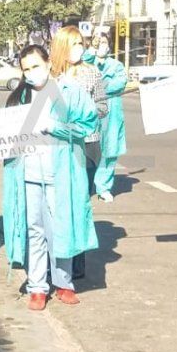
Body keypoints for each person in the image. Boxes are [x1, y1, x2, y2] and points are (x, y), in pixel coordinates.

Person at [2, 45, 99, 311]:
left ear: (48, 63)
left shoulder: (69, 93)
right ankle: (37, 286)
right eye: (26, 69)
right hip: (28, 174)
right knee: (35, 231)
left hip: (61, 174)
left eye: (35, 66)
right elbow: (1, 133)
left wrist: (54, 126)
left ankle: (64, 283)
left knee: (61, 228)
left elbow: (89, 125)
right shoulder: (20, 98)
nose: (31, 73)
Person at [49, 25, 108, 280]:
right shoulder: (50, 76)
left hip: (87, 143)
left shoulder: (91, 74)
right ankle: (55, 258)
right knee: (58, 201)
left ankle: (77, 261)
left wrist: (86, 110)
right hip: (57, 144)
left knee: (79, 201)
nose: (78, 49)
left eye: (80, 44)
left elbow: (103, 107)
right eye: (73, 44)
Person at [85, 35, 127, 203]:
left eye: (103, 43)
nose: (101, 46)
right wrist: (91, 51)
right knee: (88, 148)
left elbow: (120, 83)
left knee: (110, 150)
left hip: (111, 112)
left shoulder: (116, 65)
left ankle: (104, 187)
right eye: (98, 43)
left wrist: (97, 86)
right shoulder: (87, 64)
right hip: (90, 111)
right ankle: (87, 183)